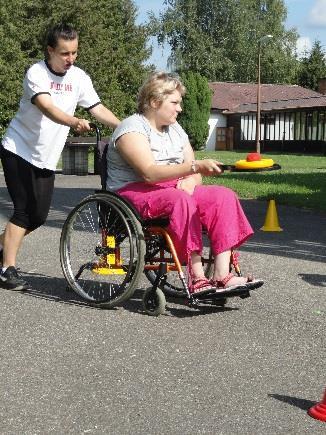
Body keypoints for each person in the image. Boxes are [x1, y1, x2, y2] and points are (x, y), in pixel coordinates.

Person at [106, 72, 263, 296]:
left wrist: (192, 178)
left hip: (172, 187)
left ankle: (222, 274)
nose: (180, 108)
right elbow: (149, 174)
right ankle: (197, 277)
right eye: (175, 102)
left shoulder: (176, 129)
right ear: (154, 102)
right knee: (180, 201)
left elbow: (193, 170)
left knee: (223, 196)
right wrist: (193, 169)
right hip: (134, 191)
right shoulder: (131, 128)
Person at [0, 23, 120, 291]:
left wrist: (125, 127)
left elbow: (97, 108)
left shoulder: (79, 78)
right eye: (65, 53)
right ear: (50, 50)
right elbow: (47, 107)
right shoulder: (37, 73)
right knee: (23, 211)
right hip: (17, 150)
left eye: (75, 52)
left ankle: (3, 245)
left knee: (39, 216)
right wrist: (74, 121)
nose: (71, 59)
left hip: (45, 156)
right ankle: (7, 269)